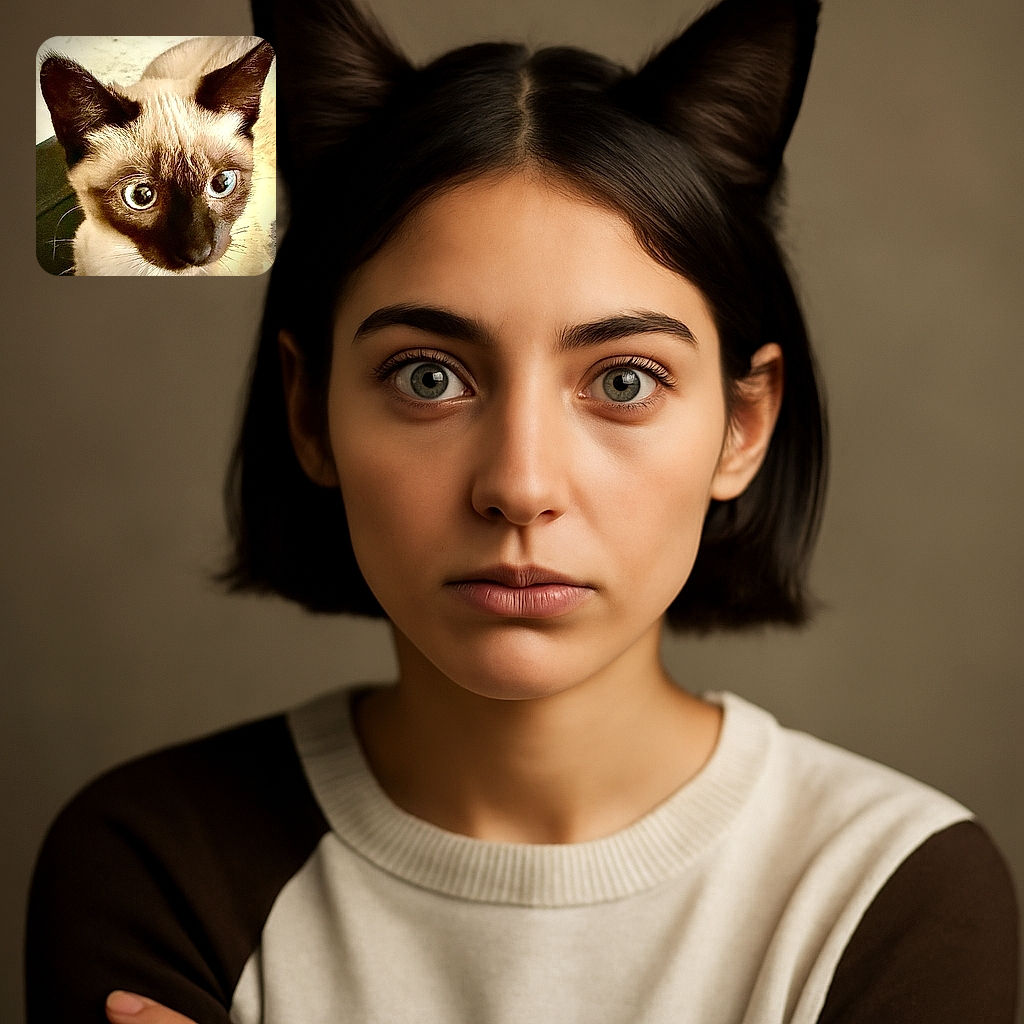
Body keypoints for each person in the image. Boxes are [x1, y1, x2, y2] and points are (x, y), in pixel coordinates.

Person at [25, 0, 1019, 1021]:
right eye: (425, 377)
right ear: (309, 411)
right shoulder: (157, 864)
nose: (521, 484)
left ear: (742, 425)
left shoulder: (887, 889)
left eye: (623, 382)